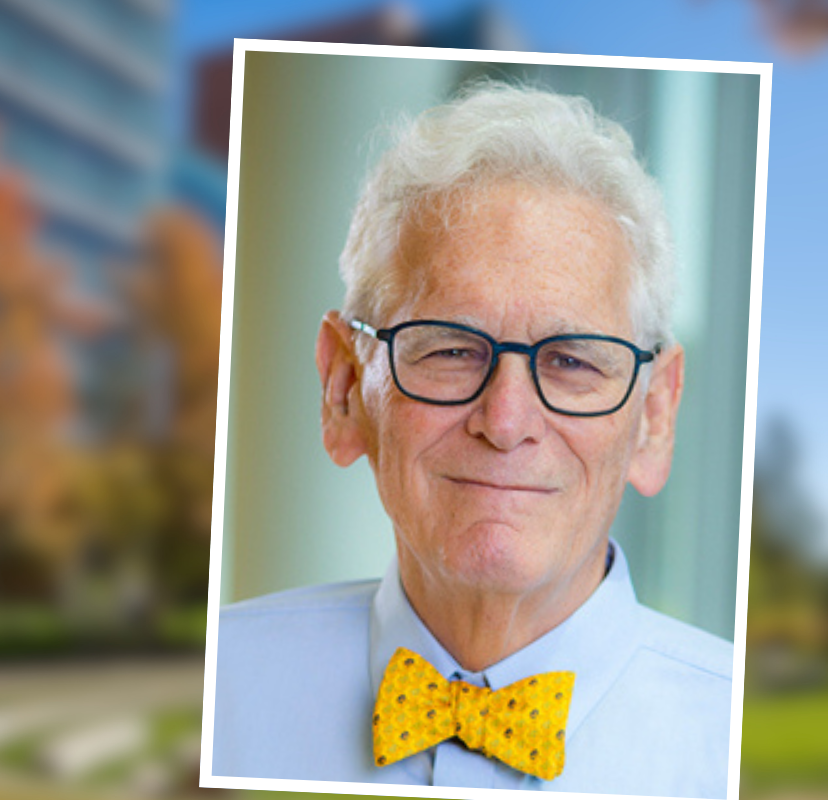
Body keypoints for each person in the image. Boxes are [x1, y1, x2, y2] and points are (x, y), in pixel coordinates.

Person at [209, 82, 733, 798]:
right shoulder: (213, 692)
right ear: (343, 389)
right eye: (451, 349)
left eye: (573, 360)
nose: (508, 421)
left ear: (656, 415)